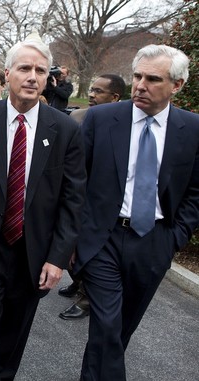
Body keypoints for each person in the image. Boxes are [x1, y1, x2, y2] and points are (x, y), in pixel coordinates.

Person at [0, 35, 86, 380]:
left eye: (40, 70)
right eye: (24, 68)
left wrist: (58, 256)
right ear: (8, 74)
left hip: (33, 253)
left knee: (14, 334)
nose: (32, 77)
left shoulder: (65, 129)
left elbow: (73, 199)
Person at [74, 44, 199, 381]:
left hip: (155, 240)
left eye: (153, 78)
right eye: (137, 76)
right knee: (107, 322)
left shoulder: (193, 129)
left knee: (118, 331)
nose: (140, 85)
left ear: (178, 85)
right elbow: (76, 181)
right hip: (103, 238)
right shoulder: (101, 119)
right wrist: (75, 236)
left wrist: (175, 237)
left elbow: (195, 192)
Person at [58, 73, 126, 320]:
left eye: (98, 91)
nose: (91, 95)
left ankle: (87, 298)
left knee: (95, 251)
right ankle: (78, 283)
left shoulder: (124, 125)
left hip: (103, 200)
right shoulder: (77, 116)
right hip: (78, 192)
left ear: (115, 97)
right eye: (91, 90)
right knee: (71, 246)